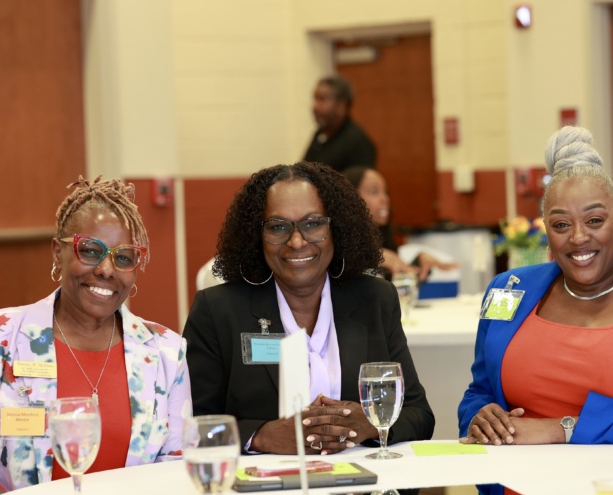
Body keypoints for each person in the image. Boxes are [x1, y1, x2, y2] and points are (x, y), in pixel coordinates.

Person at [458, 126, 613, 445]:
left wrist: (560, 429)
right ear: (547, 231)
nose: (578, 237)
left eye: (594, 221)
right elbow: (479, 392)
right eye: (562, 224)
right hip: (514, 482)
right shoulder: (507, 289)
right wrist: (481, 419)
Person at [183, 162, 434, 454]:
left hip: (360, 491)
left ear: (336, 228)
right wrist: (262, 436)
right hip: (261, 493)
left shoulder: (374, 300)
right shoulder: (218, 311)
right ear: (256, 235)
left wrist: (368, 424)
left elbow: (419, 415)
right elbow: (191, 426)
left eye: (313, 223)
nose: (297, 241)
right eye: (278, 227)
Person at [0, 176, 191, 491]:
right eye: (91, 250)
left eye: (123, 257)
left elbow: (177, 467)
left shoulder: (166, 352)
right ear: (57, 252)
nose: (106, 269)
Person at [342, 166, 458, 282]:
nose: (384, 199)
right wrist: (370, 257)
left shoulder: (385, 248)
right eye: (374, 192)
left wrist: (418, 262)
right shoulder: (340, 253)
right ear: (350, 198)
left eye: (386, 192)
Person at [302, 75, 376, 172]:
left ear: (342, 105)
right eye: (315, 99)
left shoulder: (358, 142)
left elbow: (358, 183)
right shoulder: (320, 135)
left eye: (322, 99)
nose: (315, 107)